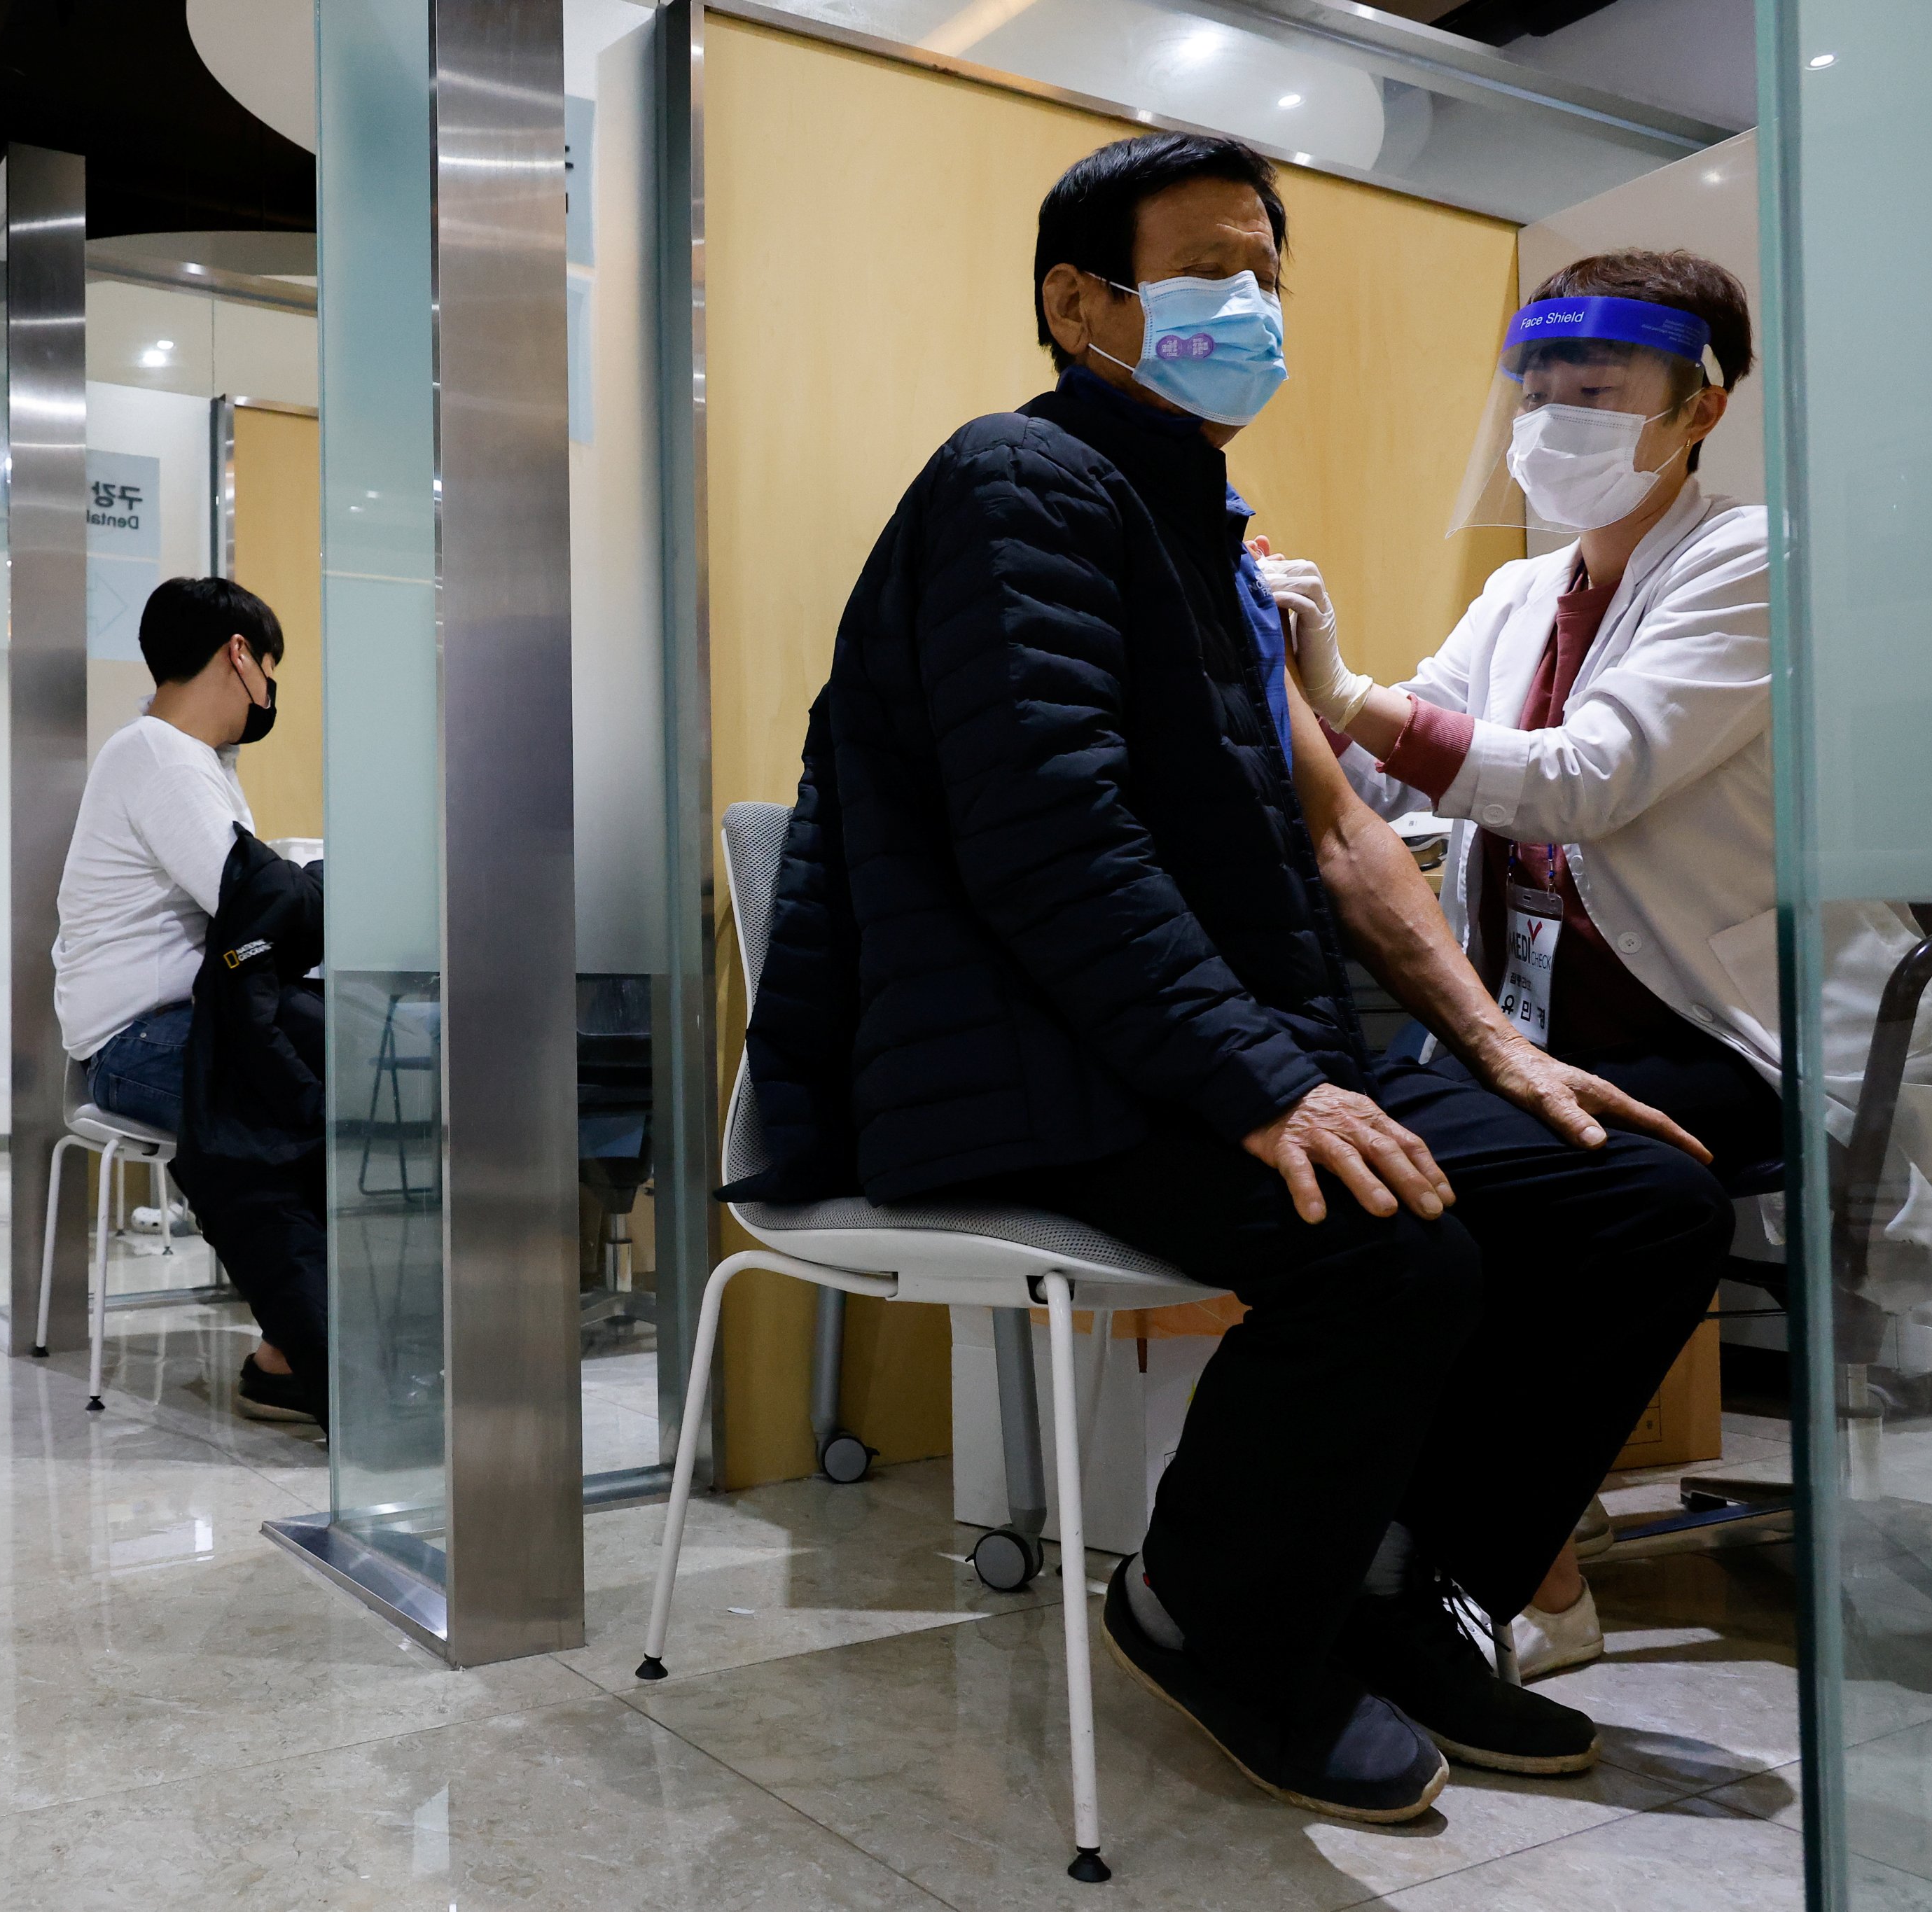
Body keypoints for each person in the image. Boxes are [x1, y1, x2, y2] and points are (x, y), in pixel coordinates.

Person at [730, 132, 1731, 1828]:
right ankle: (1210, 1612)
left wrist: (1498, 1051)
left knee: (1635, 1197)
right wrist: (1269, 1084)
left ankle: (1404, 1595)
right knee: (1391, 1254)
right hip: (1030, 1064)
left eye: (1267, 278)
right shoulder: (1017, 482)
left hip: (1177, 1051)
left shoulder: (1212, 540)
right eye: (1209, 274)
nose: (1251, 310)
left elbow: (1342, 833)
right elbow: (1050, 838)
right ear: (1078, 304)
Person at [1262, 249, 1932, 1677]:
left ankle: (1522, 1562)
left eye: (1595, 389)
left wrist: (1350, 696)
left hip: (1737, 1033)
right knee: (1416, 1164)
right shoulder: (1519, 591)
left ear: (1698, 410)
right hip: (1550, 1025)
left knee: (1533, 1183)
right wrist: (1307, 682)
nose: (1553, 416)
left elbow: (1583, 781)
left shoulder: (1756, 558)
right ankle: (1468, 1522)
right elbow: (1415, 770)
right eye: (1537, 385)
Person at [53, 575, 321, 1421]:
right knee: (294, 1113)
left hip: (172, 1024)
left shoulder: (184, 761)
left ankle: (298, 1346)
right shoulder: (160, 756)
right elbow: (250, 902)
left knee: (326, 1085)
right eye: (270, 668)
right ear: (240, 655)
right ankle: (309, 1349)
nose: (269, 691)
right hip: (138, 1040)